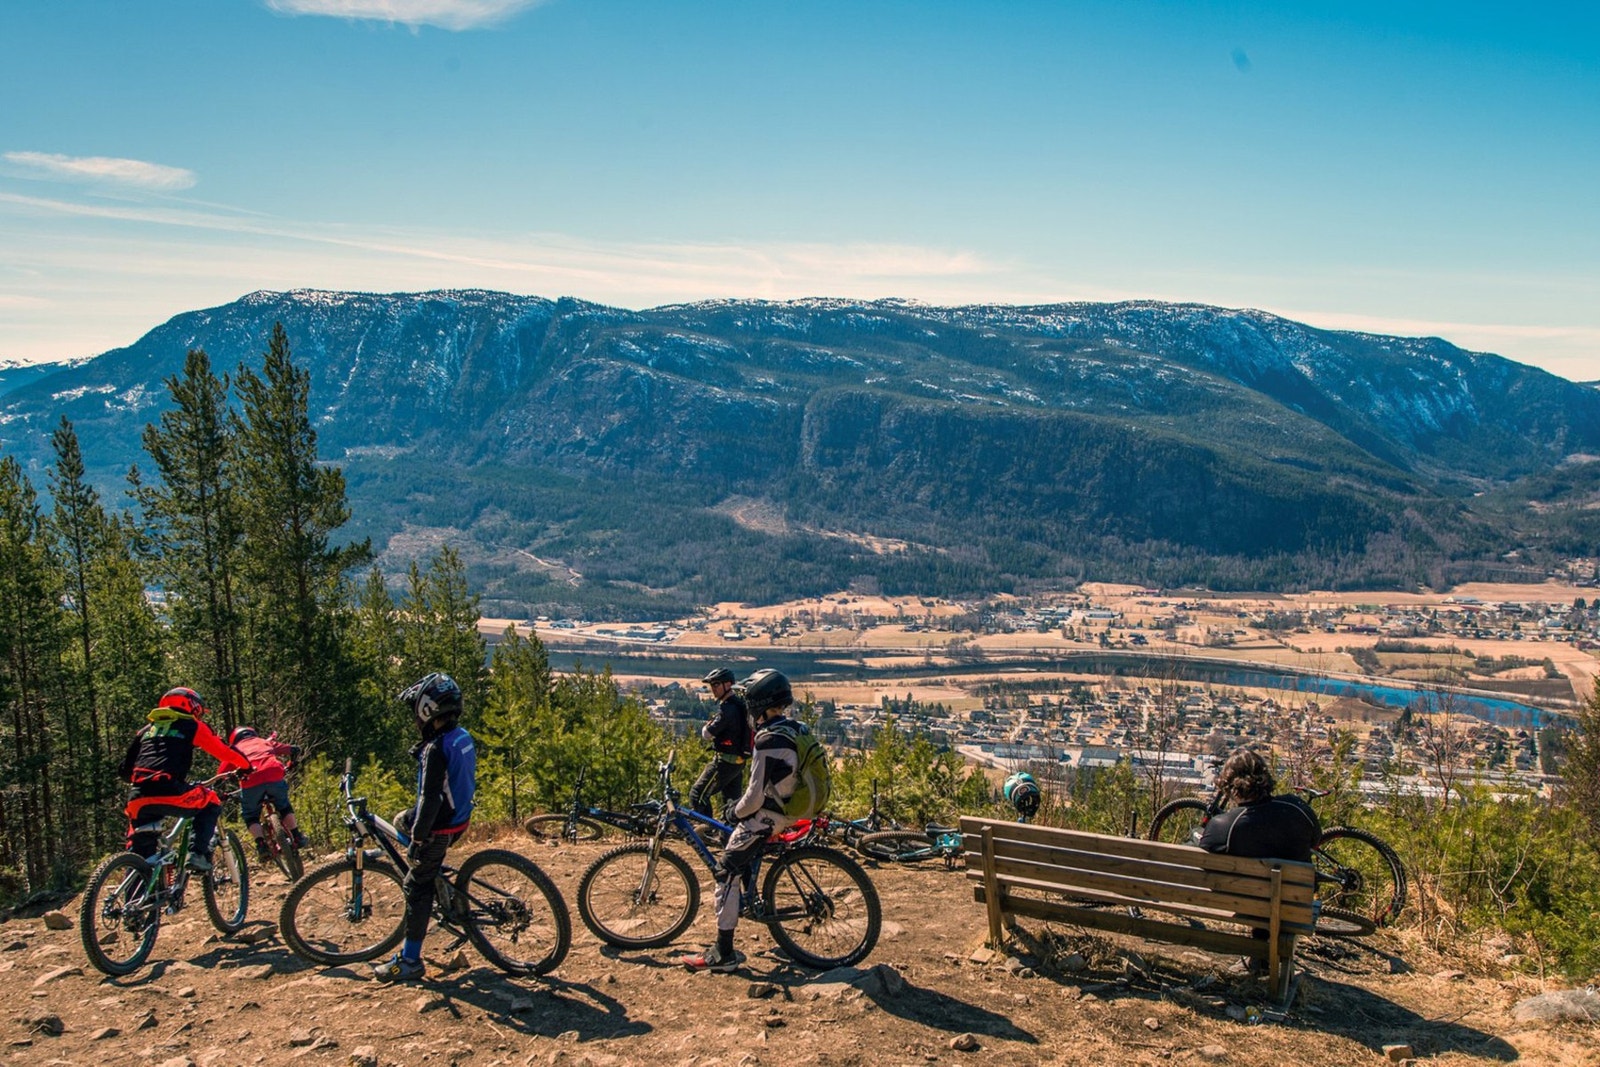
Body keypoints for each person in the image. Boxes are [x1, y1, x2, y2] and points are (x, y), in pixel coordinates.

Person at [682, 668, 800, 973]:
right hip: (789, 810)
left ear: (759, 704)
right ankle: (748, 895)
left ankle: (724, 952)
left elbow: (754, 798)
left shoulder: (767, 740)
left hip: (769, 815)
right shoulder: (794, 728)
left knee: (724, 872)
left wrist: (734, 812)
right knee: (740, 852)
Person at [372, 672, 478, 983]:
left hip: (439, 827)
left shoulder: (435, 750)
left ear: (428, 710)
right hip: (459, 819)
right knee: (400, 821)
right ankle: (435, 877)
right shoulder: (460, 736)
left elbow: (430, 798)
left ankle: (410, 961)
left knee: (414, 886)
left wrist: (418, 840)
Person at [118, 687, 251, 872]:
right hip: (169, 789)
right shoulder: (191, 725)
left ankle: (137, 898)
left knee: (142, 855)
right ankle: (197, 854)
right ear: (193, 706)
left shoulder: (145, 731)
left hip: (137, 798)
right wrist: (246, 766)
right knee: (211, 801)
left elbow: (125, 772)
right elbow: (223, 751)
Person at [1196, 749, 1321, 863]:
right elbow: (1316, 840)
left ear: (1231, 786)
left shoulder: (1223, 826)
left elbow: (1201, 861)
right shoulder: (1297, 808)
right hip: (1297, 887)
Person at [227, 726, 308, 861]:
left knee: (251, 815)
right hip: (274, 775)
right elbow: (293, 749)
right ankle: (297, 835)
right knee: (284, 806)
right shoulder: (264, 742)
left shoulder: (233, 750)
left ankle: (261, 845)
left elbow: (221, 774)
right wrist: (291, 762)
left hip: (250, 781)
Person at [688, 667, 752, 824]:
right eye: (712, 685)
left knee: (697, 794)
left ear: (728, 685)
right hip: (738, 762)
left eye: (716, 684)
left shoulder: (727, 709)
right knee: (731, 804)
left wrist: (707, 725)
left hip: (724, 761)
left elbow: (707, 734)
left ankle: (707, 831)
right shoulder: (739, 705)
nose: (713, 689)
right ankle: (729, 839)